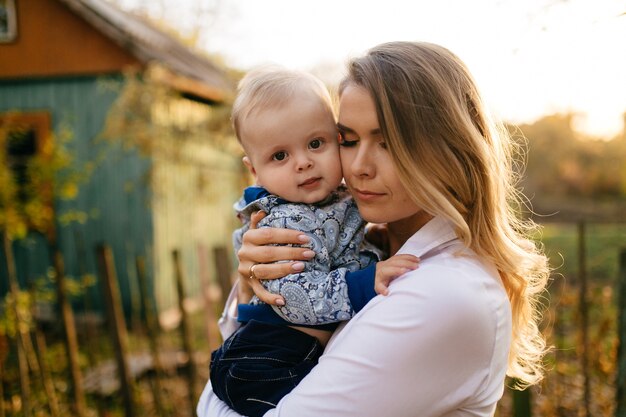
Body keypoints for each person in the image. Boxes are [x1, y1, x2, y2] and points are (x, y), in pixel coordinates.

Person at [199, 41, 550, 417]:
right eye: (348, 141)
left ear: (449, 150)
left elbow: (218, 404)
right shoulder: (367, 246)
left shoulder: (442, 293)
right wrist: (257, 283)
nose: (360, 166)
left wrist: (215, 393)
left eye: (387, 143)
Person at [209, 66, 420, 417]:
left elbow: (336, 245)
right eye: (280, 156)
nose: (304, 163)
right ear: (254, 171)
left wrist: (373, 241)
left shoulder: (334, 199)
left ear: (334, 139)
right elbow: (297, 298)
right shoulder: (287, 221)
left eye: (315, 143)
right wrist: (365, 281)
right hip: (269, 355)